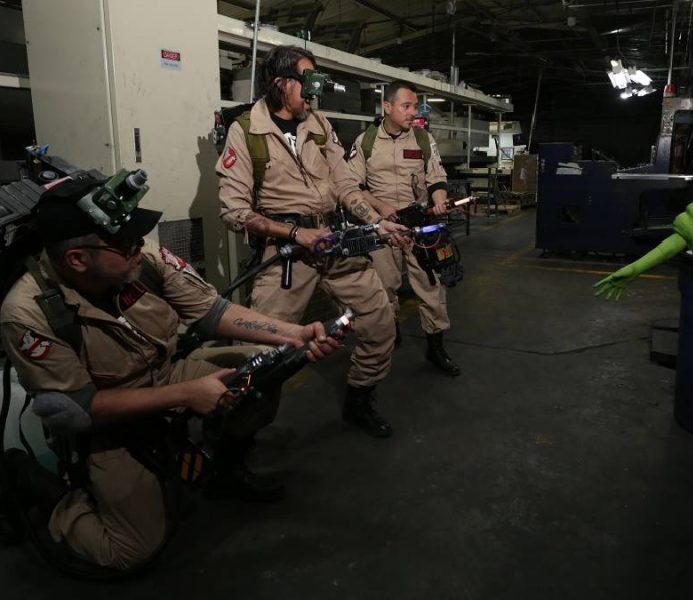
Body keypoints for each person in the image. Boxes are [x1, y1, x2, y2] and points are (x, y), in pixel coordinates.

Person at [0, 177, 339, 571]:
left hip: (167, 371)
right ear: (78, 259)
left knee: (261, 372)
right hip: (110, 418)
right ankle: (42, 490)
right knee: (130, 551)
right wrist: (186, 395)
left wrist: (294, 334)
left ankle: (225, 469)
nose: (139, 248)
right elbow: (81, 408)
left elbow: (212, 312)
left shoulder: (140, 258)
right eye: (126, 244)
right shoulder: (28, 312)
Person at [217, 45, 407, 438]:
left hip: (334, 243)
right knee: (262, 353)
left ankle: (360, 399)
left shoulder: (318, 124)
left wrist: (375, 223)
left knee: (380, 324)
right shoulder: (246, 131)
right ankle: (236, 441)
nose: (313, 93)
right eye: (307, 83)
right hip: (287, 255)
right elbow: (234, 211)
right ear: (280, 83)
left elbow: (345, 185)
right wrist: (294, 233)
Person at [348, 80, 460, 376]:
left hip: (420, 226)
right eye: (406, 106)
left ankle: (436, 347)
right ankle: (391, 333)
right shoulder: (366, 142)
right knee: (384, 286)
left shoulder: (423, 139)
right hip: (384, 227)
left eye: (415, 106)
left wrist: (439, 200)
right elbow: (353, 186)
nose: (413, 112)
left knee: (432, 287)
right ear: (387, 107)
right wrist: (380, 207)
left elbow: (436, 177)